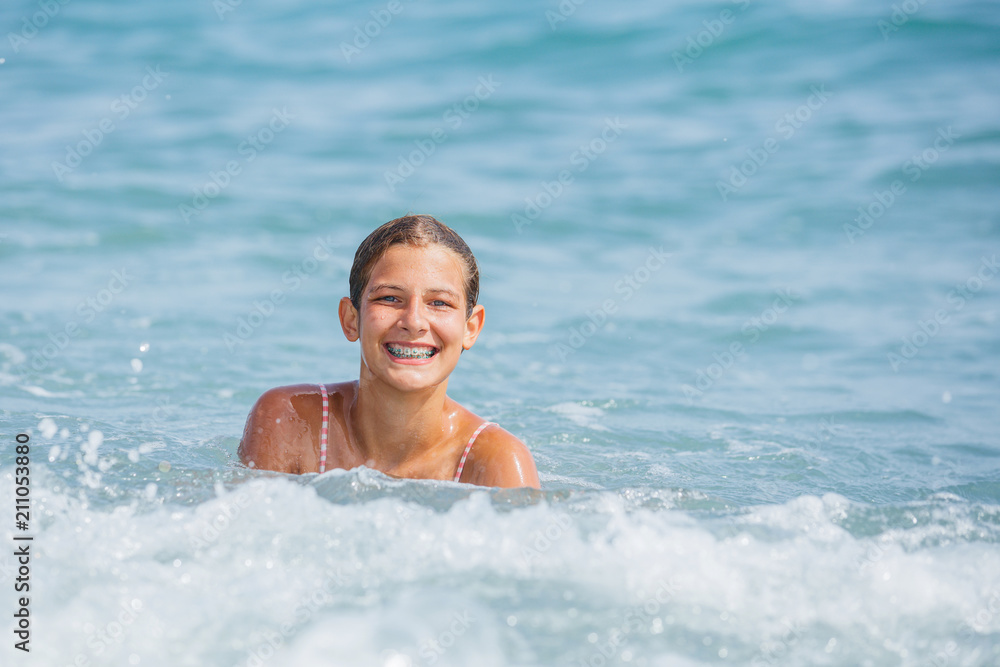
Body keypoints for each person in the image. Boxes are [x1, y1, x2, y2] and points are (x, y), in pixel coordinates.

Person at [238, 214, 540, 489]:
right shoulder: (291, 421)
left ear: (470, 327)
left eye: (439, 303)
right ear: (351, 319)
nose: (414, 322)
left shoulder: (495, 462)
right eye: (390, 298)